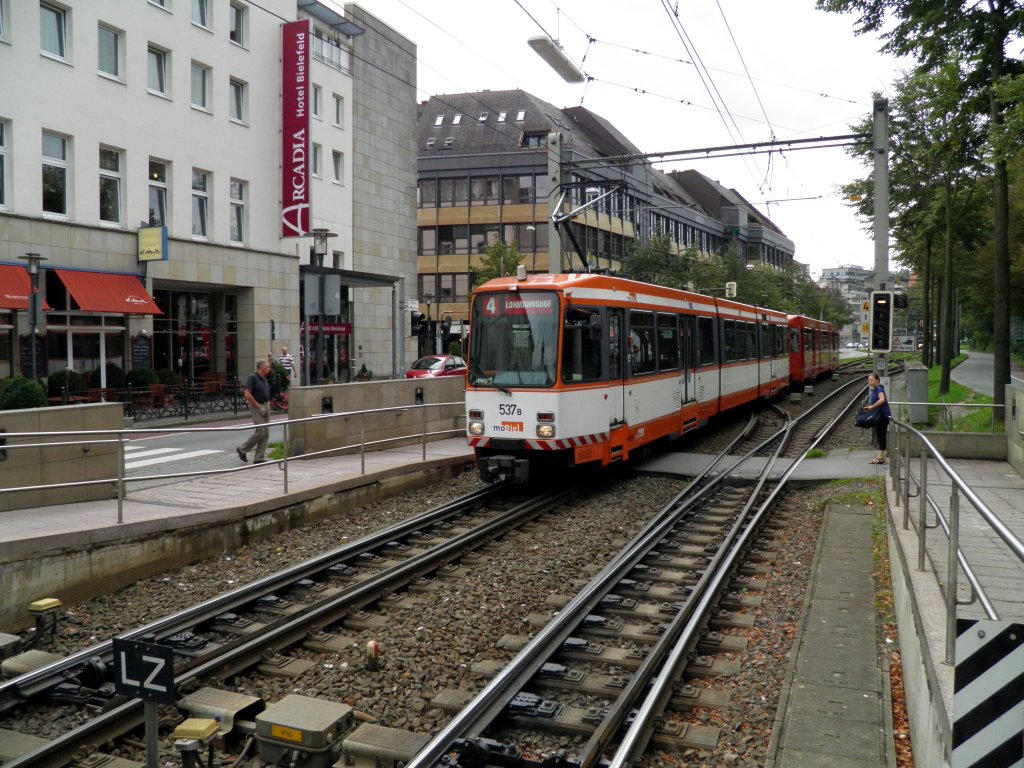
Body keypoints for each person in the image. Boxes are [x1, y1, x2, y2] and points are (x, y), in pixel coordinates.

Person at [237, 359, 272, 464]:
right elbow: (247, 394)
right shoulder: (252, 377)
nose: (269, 368)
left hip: (265, 405)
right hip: (257, 407)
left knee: (266, 433)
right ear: (262, 367)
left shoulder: (264, 378)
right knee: (261, 431)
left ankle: (259, 458)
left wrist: (268, 404)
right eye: (267, 366)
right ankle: (242, 449)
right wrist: (257, 406)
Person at [863, 371, 891, 465]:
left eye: (872, 380)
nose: (870, 382)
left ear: (877, 380)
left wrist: (872, 407)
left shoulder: (879, 388)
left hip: (882, 416)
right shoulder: (875, 389)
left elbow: (882, 400)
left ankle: (880, 458)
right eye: (869, 380)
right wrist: (870, 408)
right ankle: (880, 456)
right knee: (879, 435)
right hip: (879, 416)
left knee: (881, 435)